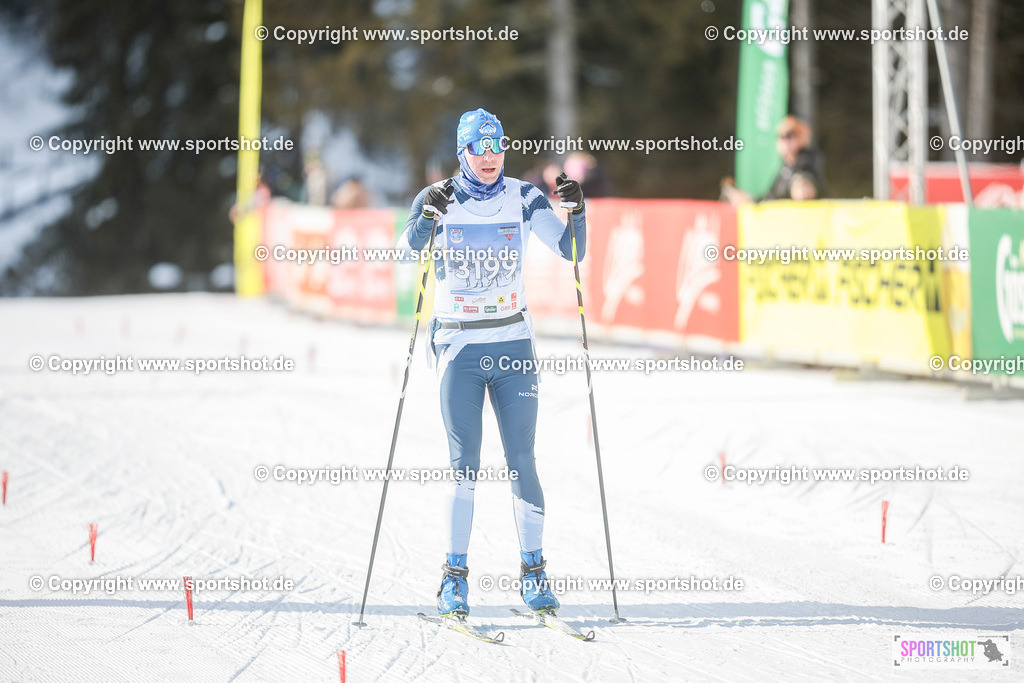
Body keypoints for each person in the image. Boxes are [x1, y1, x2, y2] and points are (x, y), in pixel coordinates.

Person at [397, 108, 588, 618]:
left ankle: (533, 573)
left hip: (513, 346)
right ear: (462, 151)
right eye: (479, 148)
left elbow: (571, 251)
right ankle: (454, 579)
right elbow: (403, 252)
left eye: (497, 146)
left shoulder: (523, 197)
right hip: (459, 346)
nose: (489, 157)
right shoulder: (437, 196)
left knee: (522, 460)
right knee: (465, 466)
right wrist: (424, 220)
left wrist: (578, 212)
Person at [722, 115, 827, 205]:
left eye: (789, 135)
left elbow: (808, 183)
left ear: (801, 138)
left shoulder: (809, 159)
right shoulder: (785, 166)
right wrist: (750, 200)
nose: (783, 140)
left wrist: (802, 183)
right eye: (780, 136)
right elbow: (771, 197)